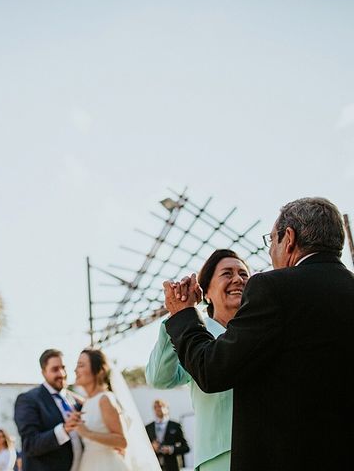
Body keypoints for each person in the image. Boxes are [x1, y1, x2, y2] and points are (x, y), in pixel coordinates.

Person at [164, 197, 354, 471]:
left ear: (288, 238)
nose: (270, 253)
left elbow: (212, 369)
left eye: (271, 241)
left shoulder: (272, 288)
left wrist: (183, 314)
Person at [147, 249, 249, 471]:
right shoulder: (196, 336)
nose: (238, 279)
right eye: (227, 273)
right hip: (218, 456)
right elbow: (159, 379)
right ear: (207, 292)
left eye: (243, 274)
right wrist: (177, 317)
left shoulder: (260, 329)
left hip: (265, 451)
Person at [71, 347, 161, 471]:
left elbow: (122, 441)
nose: (75, 370)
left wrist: (87, 433)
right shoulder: (87, 402)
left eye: (81, 365)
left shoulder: (105, 399)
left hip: (106, 465)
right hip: (88, 464)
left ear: (99, 371)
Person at [13, 348, 83, 471]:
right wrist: (64, 429)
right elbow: (30, 444)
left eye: (63, 367)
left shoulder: (74, 400)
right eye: (55, 369)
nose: (61, 373)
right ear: (44, 372)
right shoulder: (29, 400)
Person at [144, 400, 190, 471]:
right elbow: (143, 447)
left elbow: (186, 447)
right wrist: (151, 447)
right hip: (154, 466)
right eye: (155, 407)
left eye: (160, 406)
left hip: (172, 466)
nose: (158, 409)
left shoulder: (176, 426)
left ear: (167, 408)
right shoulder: (148, 427)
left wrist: (171, 449)